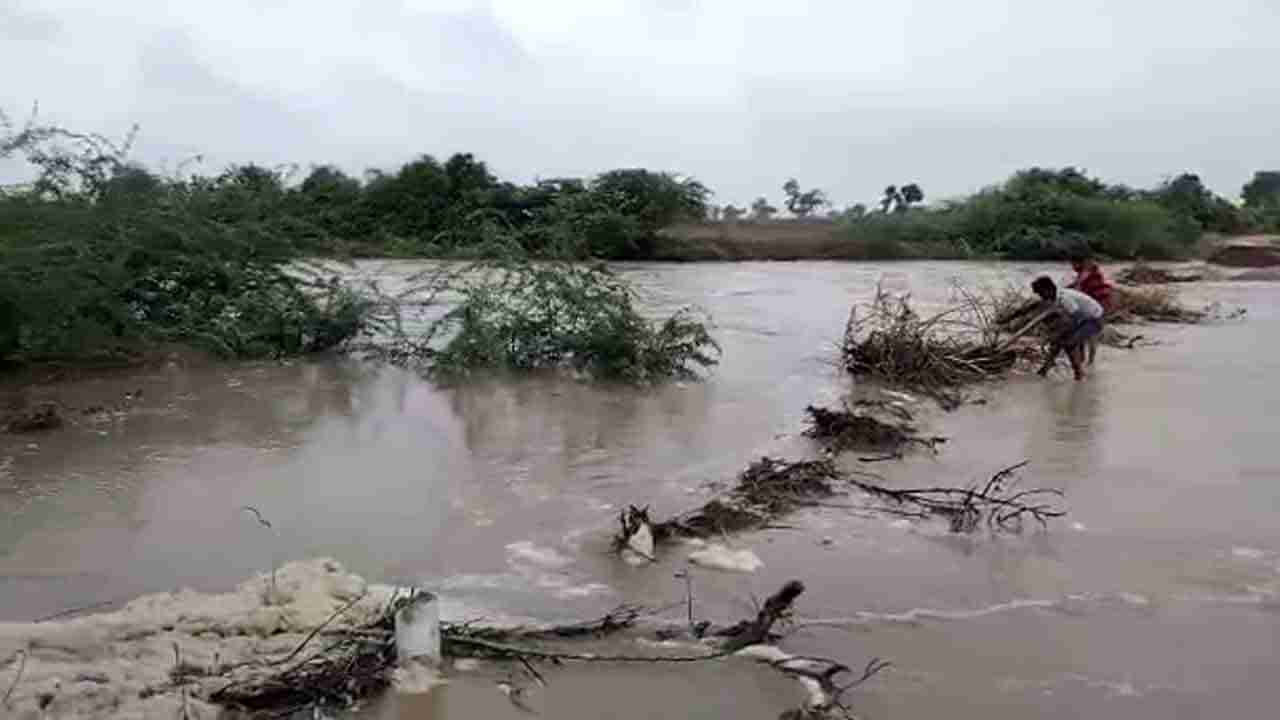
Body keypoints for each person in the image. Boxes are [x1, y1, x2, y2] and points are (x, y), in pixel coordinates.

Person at [1003, 276, 1104, 381]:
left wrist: (1058, 334)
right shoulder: (1052, 296)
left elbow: (1077, 318)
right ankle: (1044, 370)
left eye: (1041, 293)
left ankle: (1079, 374)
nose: (1040, 296)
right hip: (1081, 317)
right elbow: (1030, 307)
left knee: (1068, 342)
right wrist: (1009, 317)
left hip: (1093, 319)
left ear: (1048, 289)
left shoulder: (1064, 298)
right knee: (1058, 341)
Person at [1067, 255, 1113, 365]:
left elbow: (1080, 288)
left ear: (1079, 263)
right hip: (1092, 307)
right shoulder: (1085, 274)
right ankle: (1086, 361)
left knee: (1091, 337)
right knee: (1085, 337)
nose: (1072, 267)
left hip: (1097, 308)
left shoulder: (1087, 275)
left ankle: (1090, 363)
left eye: (1073, 264)